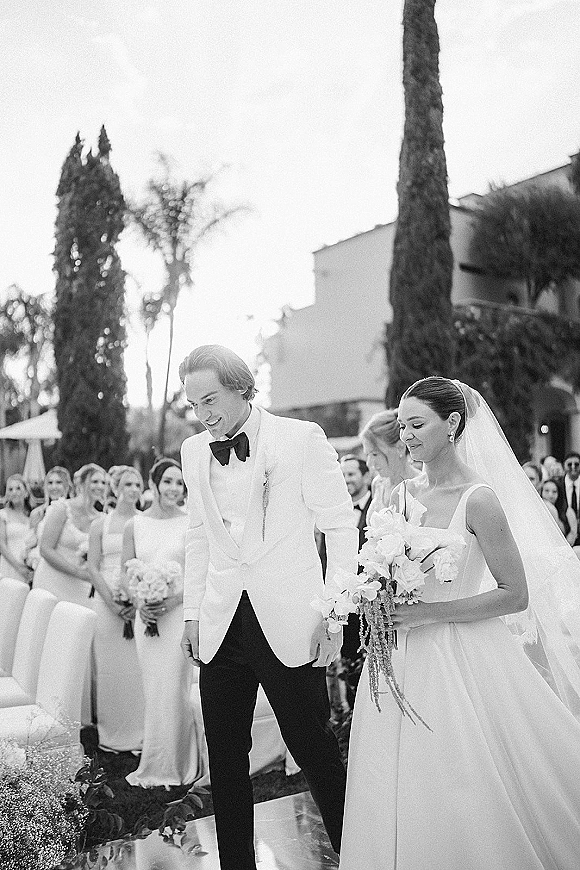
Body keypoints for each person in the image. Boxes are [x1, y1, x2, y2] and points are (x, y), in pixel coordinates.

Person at [340, 377, 580, 870]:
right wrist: (372, 598)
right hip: (397, 656)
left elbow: (515, 594)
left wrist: (428, 613)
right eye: (402, 425)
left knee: (460, 774)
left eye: (416, 424)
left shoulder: (480, 499)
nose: (405, 436)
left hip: (461, 656)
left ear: (451, 423)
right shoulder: (396, 494)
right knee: (392, 777)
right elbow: (376, 571)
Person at [179, 344, 358, 870]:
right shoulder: (193, 451)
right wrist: (192, 614)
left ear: (242, 387)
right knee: (227, 762)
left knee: (314, 752)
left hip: (289, 622)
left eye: (210, 399)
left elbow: (340, 527)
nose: (203, 414)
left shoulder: (301, 439)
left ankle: (355, 854)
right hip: (220, 626)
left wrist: (334, 613)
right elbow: (197, 536)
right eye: (194, 405)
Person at [122, 458, 201, 788]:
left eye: (179, 483)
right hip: (147, 620)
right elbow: (126, 574)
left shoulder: (190, 524)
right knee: (154, 689)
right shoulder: (134, 526)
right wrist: (140, 602)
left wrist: (171, 601)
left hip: (179, 618)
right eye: (168, 481)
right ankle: (155, 762)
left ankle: (180, 763)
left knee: (176, 688)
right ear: (153, 485)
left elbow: (199, 575)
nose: (174, 488)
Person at [88, 466, 145, 754]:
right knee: (109, 670)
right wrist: (111, 601)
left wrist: (136, 599)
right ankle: (111, 733)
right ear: (116, 487)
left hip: (137, 602)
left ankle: (139, 731)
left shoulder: (144, 523)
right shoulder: (100, 524)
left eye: (138, 484)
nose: (133, 489)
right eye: (127, 484)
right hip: (105, 602)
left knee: (136, 669)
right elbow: (92, 566)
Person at [33, 463, 107, 607]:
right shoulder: (62, 509)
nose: (100, 486)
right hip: (52, 579)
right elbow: (45, 549)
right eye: (94, 481)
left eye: (103, 482)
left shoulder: (101, 519)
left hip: (81, 586)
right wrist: (78, 572)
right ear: (80, 483)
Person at [359, 409, 420, 518]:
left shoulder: (421, 486)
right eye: (367, 455)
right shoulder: (378, 484)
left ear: (400, 447)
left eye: (375, 454)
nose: (369, 463)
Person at [25, 466, 72, 575]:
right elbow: (29, 545)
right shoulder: (38, 514)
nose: (54, 487)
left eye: (58, 482)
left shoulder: (73, 512)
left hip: (67, 567)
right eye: (50, 483)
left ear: (67, 486)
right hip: (42, 568)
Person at [0, 474, 33, 584]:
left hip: (28, 567)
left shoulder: (31, 516)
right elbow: (2, 545)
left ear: (26, 492)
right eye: (10, 489)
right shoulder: (3, 515)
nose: (14, 492)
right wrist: (18, 567)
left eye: (18, 488)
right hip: (10, 564)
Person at [541, 478, 578, 546]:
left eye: (554, 492)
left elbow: (573, 533)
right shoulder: (538, 510)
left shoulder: (567, 510)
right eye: (546, 491)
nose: (550, 495)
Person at [562, 451, 580, 547]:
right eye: (569, 464)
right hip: (563, 536)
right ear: (564, 465)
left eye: (576, 464)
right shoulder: (558, 485)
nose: (573, 467)